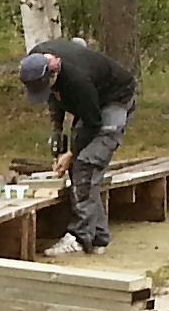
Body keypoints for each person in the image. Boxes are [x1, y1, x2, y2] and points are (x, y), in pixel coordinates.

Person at [18, 36, 138, 251]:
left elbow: (93, 122)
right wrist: (57, 130)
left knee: (87, 165)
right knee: (80, 171)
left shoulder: (77, 81)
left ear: (53, 74)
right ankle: (99, 238)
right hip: (91, 100)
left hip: (115, 99)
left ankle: (80, 237)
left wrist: (71, 153)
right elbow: (54, 97)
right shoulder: (36, 61)